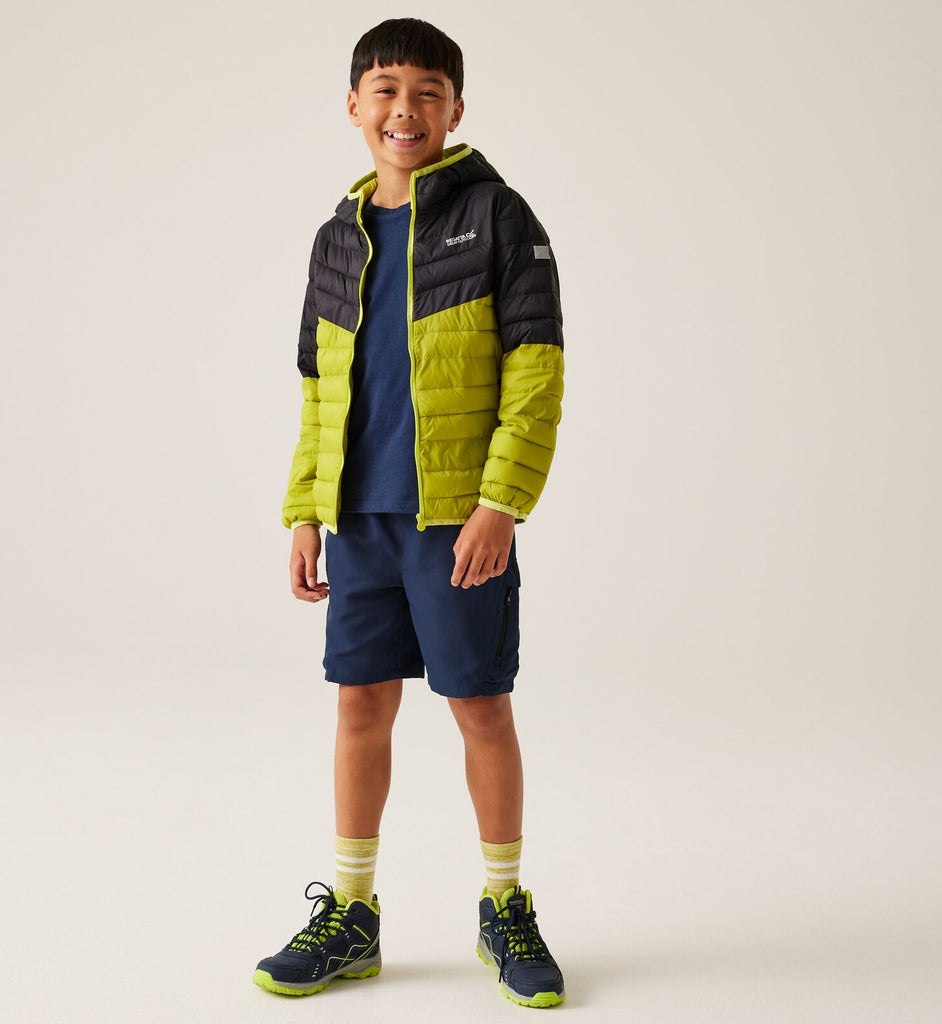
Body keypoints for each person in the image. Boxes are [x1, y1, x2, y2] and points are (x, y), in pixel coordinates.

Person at [253, 17, 565, 1009]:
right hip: (359, 520)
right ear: (353, 106)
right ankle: (352, 914)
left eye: (427, 91)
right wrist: (305, 510)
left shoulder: (498, 216)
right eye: (385, 90)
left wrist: (500, 503)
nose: (405, 109)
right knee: (359, 706)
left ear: (455, 109)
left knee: (480, 705)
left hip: (454, 522)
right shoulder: (335, 237)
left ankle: (504, 904)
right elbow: (317, 388)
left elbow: (536, 374)